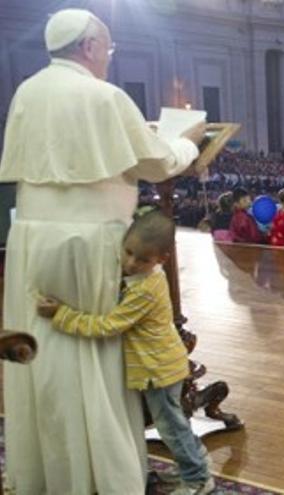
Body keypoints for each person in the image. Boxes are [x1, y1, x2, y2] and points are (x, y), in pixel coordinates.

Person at [0, 9, 205, 493]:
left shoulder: (28, 91)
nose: (108, 60)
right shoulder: (104, 95)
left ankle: (48, 474)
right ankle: (103, 476)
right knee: (94, 354)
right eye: (108, 50)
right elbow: (157, 163)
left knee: (46, 353)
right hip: (87, 241)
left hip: (30, 238)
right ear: (90, 45)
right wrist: (187, 142)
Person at [35, 211, 215, 494]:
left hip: (159, 369)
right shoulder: (144, 279)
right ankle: (196, 467)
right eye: (128, 252)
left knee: (170, 427)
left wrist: (62, 314)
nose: (131, 263)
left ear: (161, 260)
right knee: (173, 423)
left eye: (142, 259)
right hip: (159, 364)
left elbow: (109, 325)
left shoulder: (145, 289)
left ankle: (197, 478)